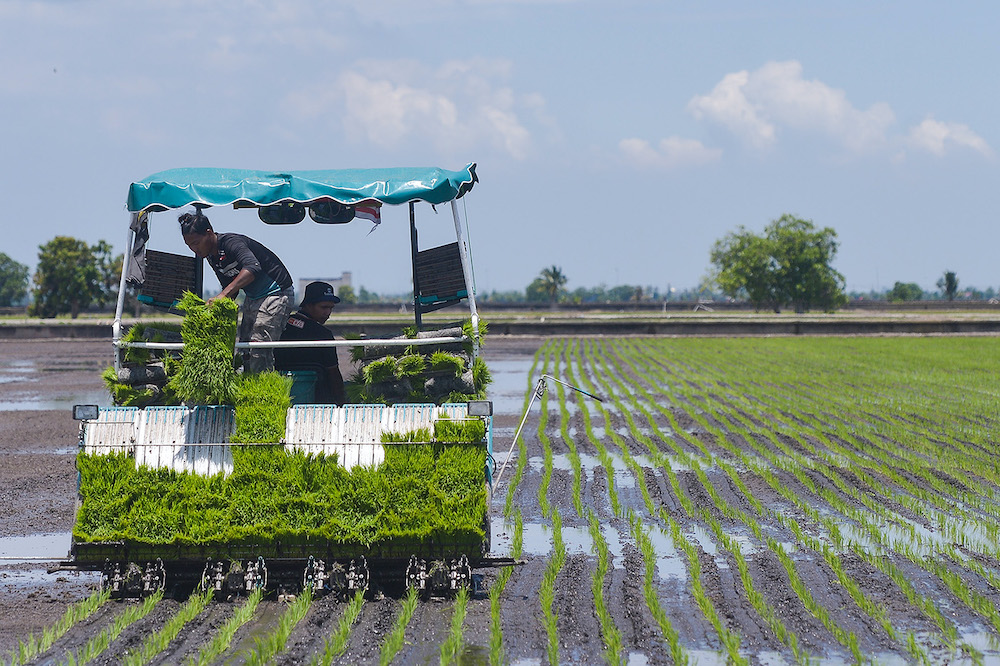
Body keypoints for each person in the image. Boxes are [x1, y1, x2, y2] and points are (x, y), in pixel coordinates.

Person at [179, 210, 294, 373]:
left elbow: (253, 267)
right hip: (253, 297)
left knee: (258, 348)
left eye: (196, 243)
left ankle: (260, 389)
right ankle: (246, 385)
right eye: (189, 245)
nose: (193, 249)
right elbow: (230, 287)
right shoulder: (212, 256)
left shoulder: (231, 242)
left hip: (275, 293)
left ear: (209, 233)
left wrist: (222, 295)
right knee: (244, 349)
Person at [275, 281, 347, 405]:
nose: (328, 313)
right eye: (324, 307)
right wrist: (342, 403)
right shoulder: (324, 334)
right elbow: (333, 373)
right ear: (308, 305)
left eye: (331, 308)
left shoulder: (280, 325)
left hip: (281, 393)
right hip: (318, 397)